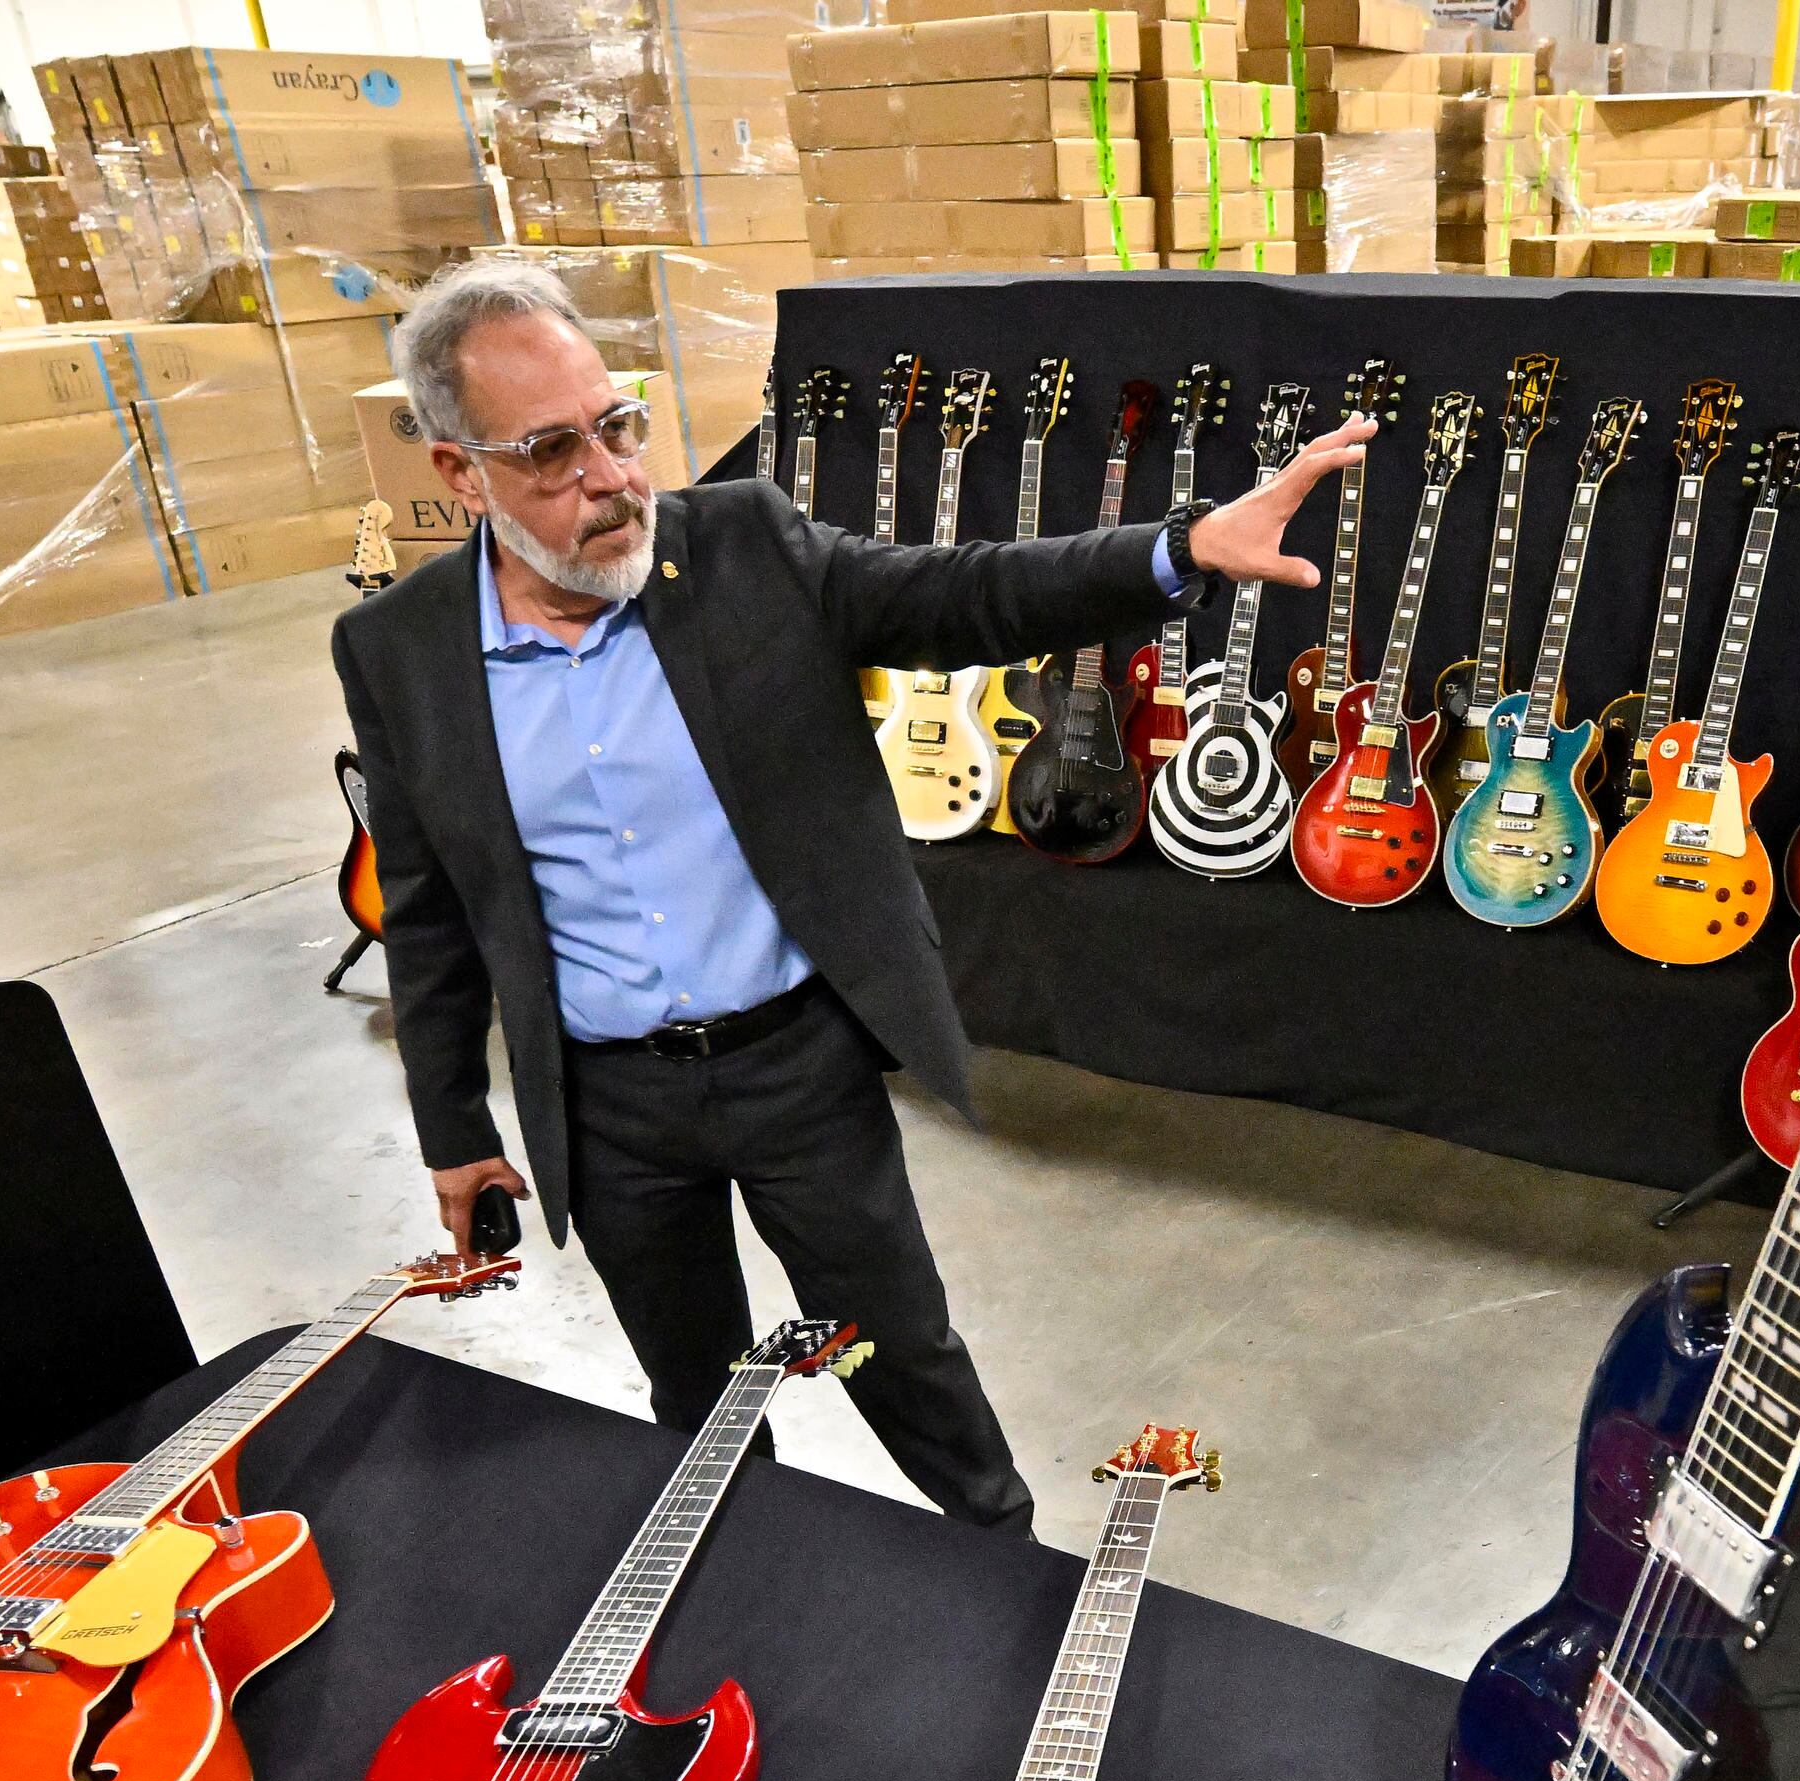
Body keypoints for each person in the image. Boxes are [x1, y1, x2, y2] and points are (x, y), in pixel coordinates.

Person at [335, 260, 1366, 1534]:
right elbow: (427, 904)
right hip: (607, 1110)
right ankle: (737, 1574)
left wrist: (1177, 549)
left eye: (618, 426)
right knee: (697, 1395)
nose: (609, 477)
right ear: (458, 471)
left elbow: (965, 591)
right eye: (552, 451)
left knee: (899, 1352)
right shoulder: (398, 648)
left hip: (795, 1071)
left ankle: (1003, 1562)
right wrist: (450, 1124)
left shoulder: (742, 547)